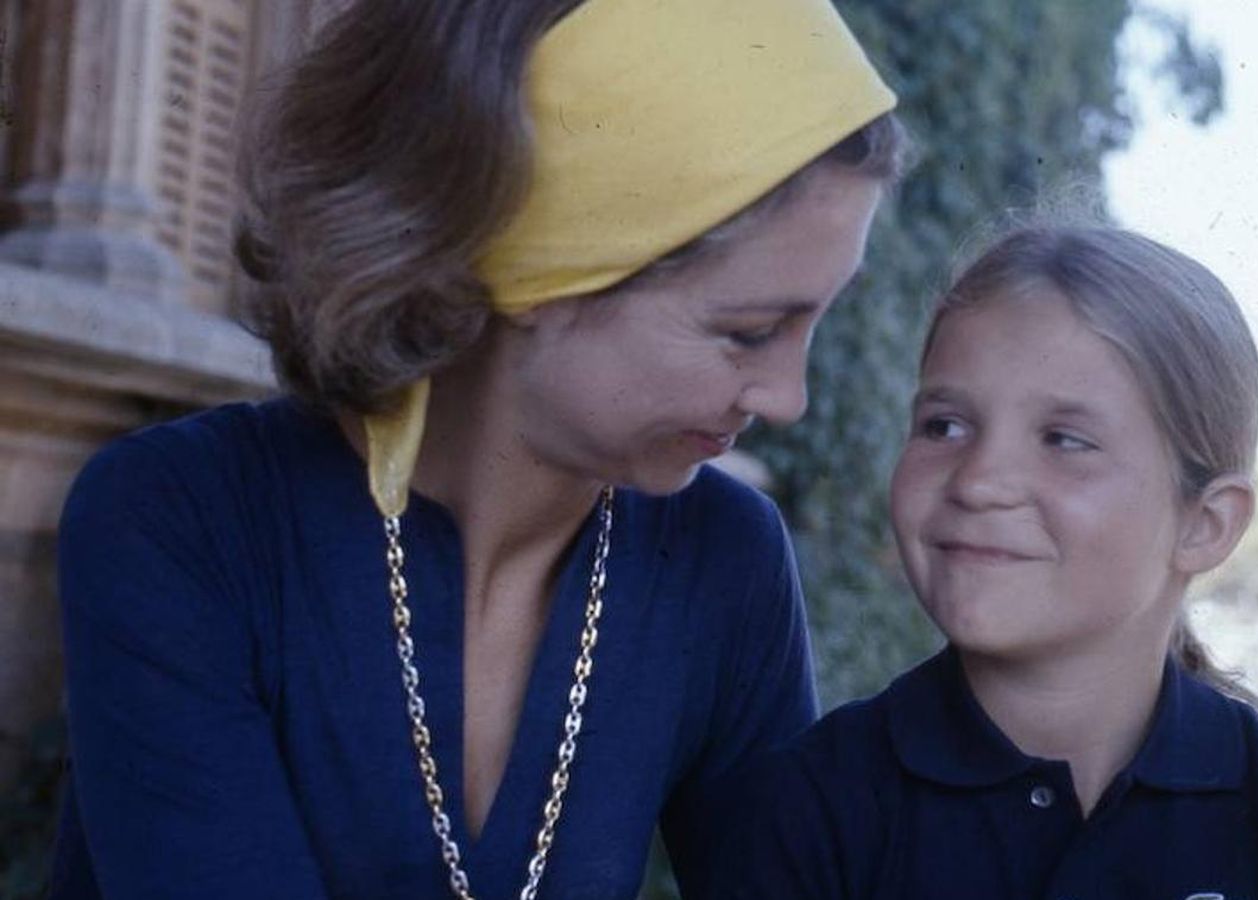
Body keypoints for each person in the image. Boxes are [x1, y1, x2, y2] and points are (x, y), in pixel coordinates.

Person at [49, 0, 905, 897]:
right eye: (750, 329)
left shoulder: (724, 562)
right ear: (544, 262)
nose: (790, 399)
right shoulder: (186, 519)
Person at [713, 223, 1258, 899]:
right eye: (944, 426)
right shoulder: (809, 807)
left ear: (1205, 524)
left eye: (1064, 440)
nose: (979, 479)